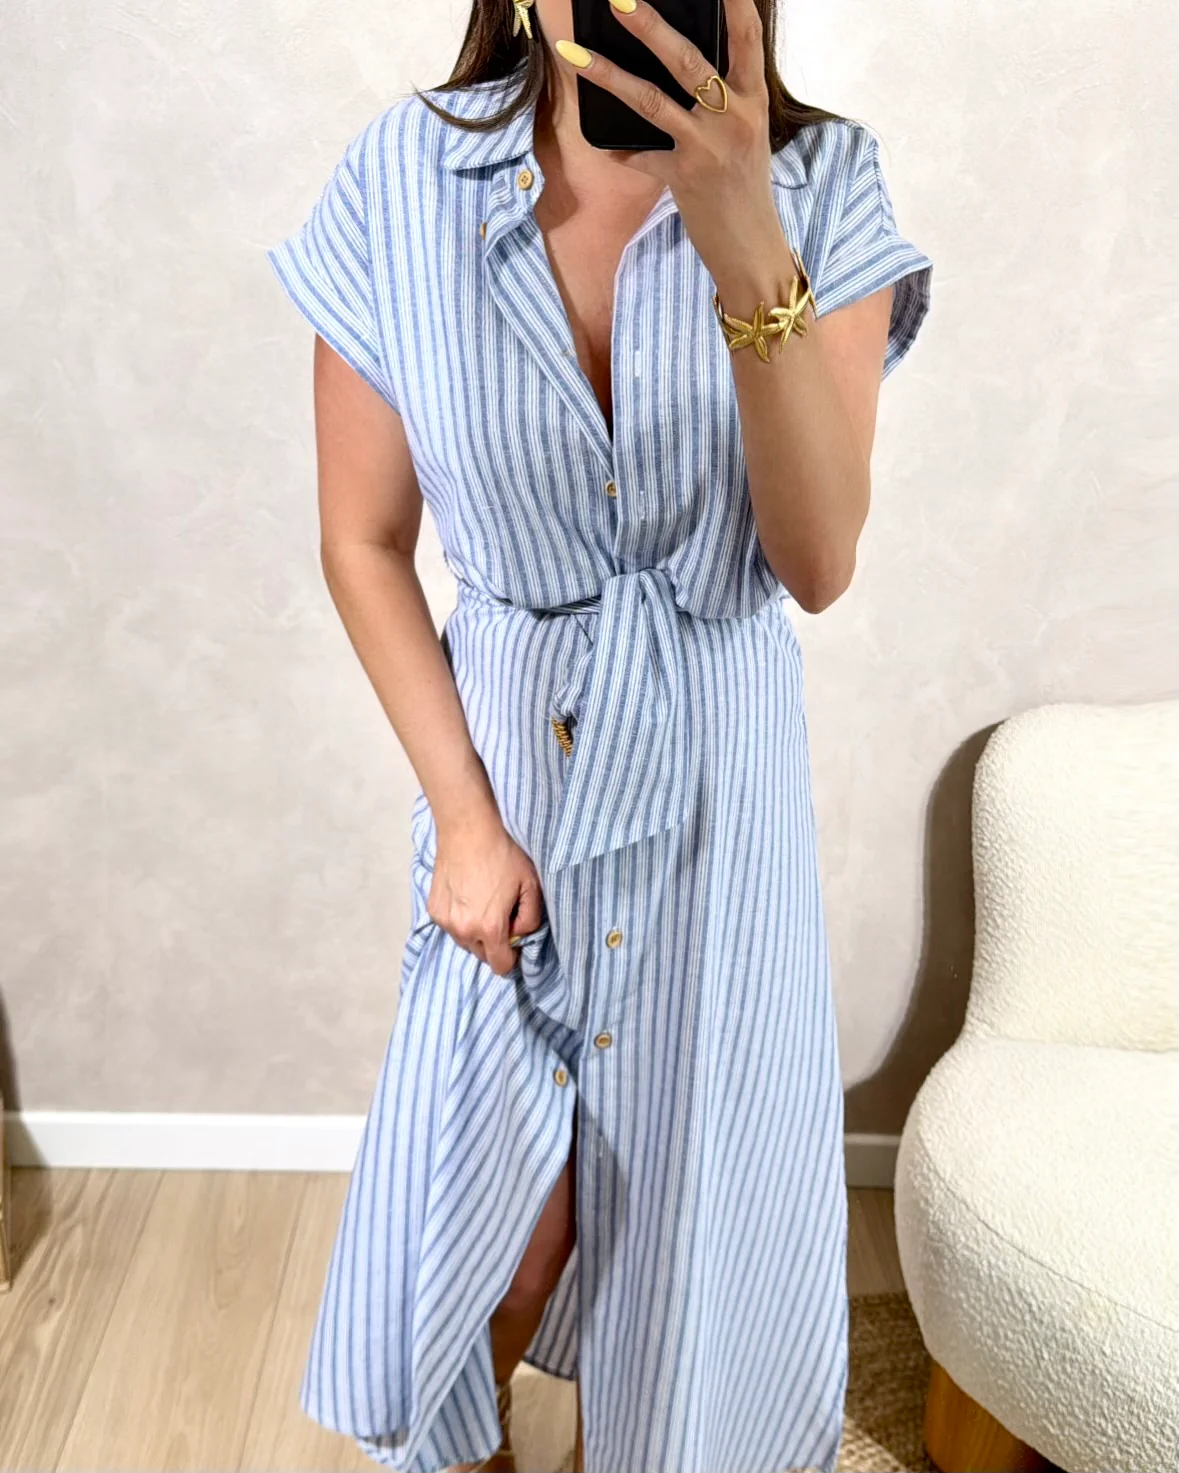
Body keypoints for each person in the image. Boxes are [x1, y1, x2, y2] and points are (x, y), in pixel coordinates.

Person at [266, 0, 933, 1467]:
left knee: (688, 1267)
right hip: (506, 788)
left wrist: (745, 244)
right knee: (492, 1249)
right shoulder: (403, 178)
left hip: (713, 806)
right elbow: (362, 539)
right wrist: (462, 822)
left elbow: (816, 561)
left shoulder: (826, 185)